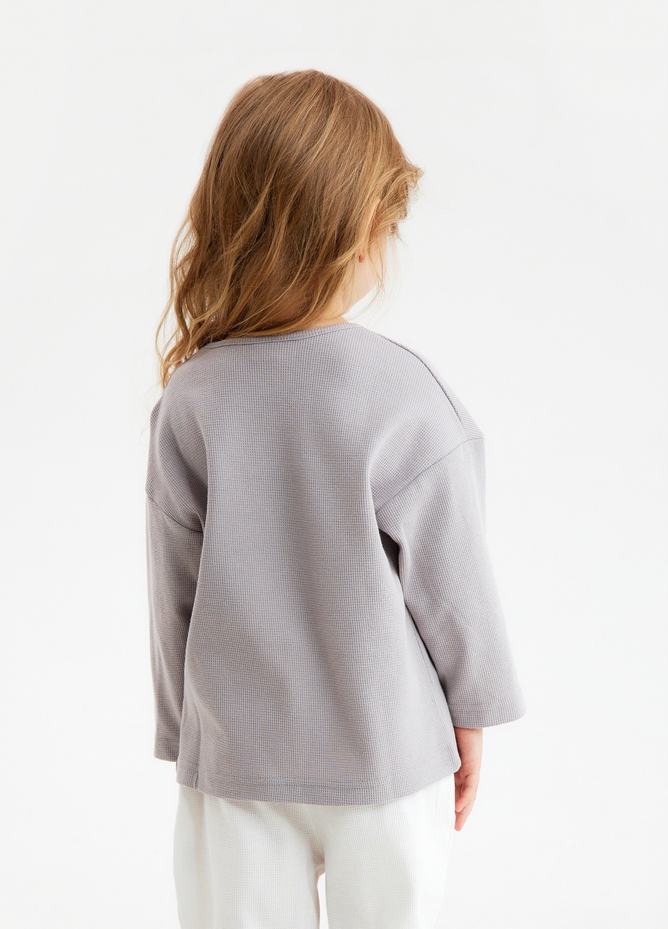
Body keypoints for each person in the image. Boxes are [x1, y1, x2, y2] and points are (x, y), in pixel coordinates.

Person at [145, 68, 526, 928]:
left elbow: (174, 592)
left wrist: (183, 734)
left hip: (239, 759)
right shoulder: (401, 393)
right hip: (387, 752)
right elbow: (453, 580)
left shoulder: (193, 398)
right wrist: (472, 713)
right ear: (358, 236)